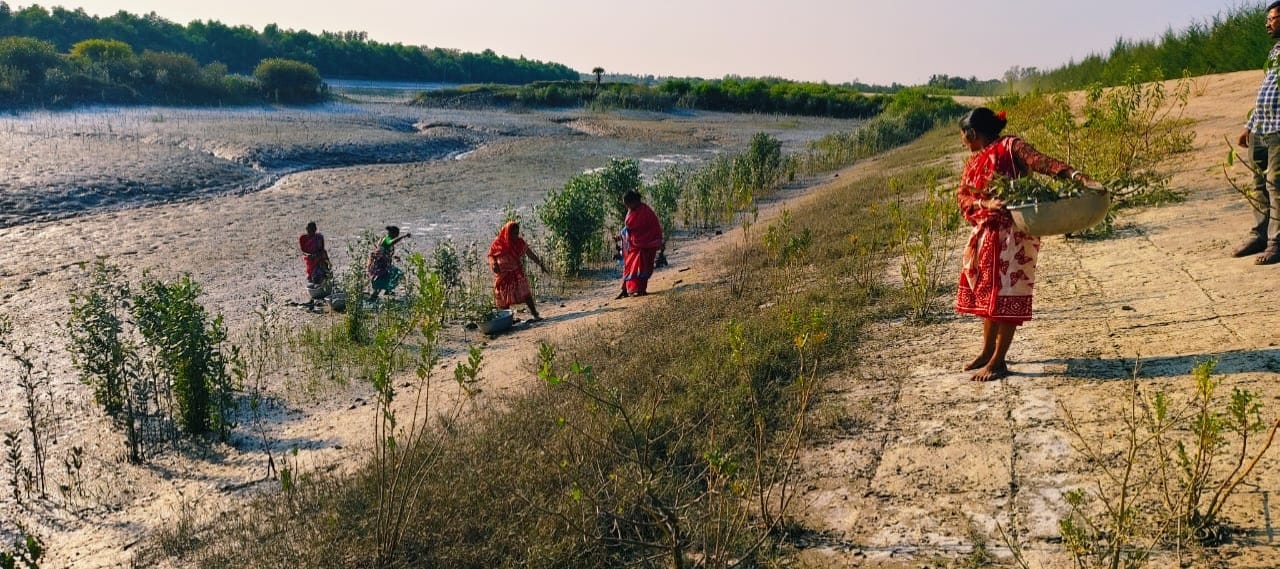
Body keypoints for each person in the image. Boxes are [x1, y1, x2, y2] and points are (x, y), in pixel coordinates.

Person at [955, 107, 1100, 382]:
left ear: (971, 133)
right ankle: (987, 351)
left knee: (1008, 295)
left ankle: (999, 361)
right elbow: (963, 197)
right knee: (990, 297)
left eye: (963, 135)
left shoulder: (1011, 147)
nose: (962, 141)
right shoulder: (973, 162)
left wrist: (1077, 177)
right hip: (987, 235)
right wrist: (985, 203)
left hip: (1015, 234)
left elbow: (1041, 162)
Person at [1235, 0, 1280, 265]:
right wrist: (1249, 126)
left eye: (1272, 18)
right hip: (1261, 127)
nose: (1267, 23)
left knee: (1277, 187)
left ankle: (1277, 242)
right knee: (1259, 186)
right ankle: (1260, 235)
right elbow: (1267, 90)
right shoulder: (1275, 51)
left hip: (1278, 130)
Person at [487, 221, 549, 321]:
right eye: (513, 234)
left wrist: (540, 264)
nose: (515, 236)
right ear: (507, 232)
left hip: (516, 272)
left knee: (526, 293)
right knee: (503, 297)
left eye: (517, 233)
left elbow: (530, 253)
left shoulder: (519, 242)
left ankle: (535, 314)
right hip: (502, 275)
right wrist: (494, 263)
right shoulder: (498, 242)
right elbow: (491, 255)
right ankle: (508, 319)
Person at [617, 190, 664, 299]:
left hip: (647, 244)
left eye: (628, 204)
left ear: (634, 201)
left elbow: (652, 227)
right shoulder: (631, 211)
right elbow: (628, 228)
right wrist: (622, 235)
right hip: (634, 244)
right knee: (629, 266)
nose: (627, 206)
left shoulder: (645, 211)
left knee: (644, 267)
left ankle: (641, 289)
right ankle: (624, 289)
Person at [367, 225, 410, 300]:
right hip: (380, 265)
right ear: (394, 234)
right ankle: (373, 297)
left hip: (384, 264)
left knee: (395, 274)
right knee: (383, 279)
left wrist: (394, 257)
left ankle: (387, 289)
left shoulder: (386, 239)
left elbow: (385, 251)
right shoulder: (386, 239)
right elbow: (390, 243)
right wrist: (403, 237)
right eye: (397, 234)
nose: (397, 236)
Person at [299, 222, 330, 287]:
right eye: (309, 229)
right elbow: (303, 250)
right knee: (312, 275)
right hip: (310, 259)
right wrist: (309, 255)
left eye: (312, 229)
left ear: (315, 229)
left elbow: (321, 248)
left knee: (321, 271)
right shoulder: (303, 239)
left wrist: (316, 255)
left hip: (319, 258)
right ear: (306, 229)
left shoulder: (319, 238)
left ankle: (324, 279)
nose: (310, 231)